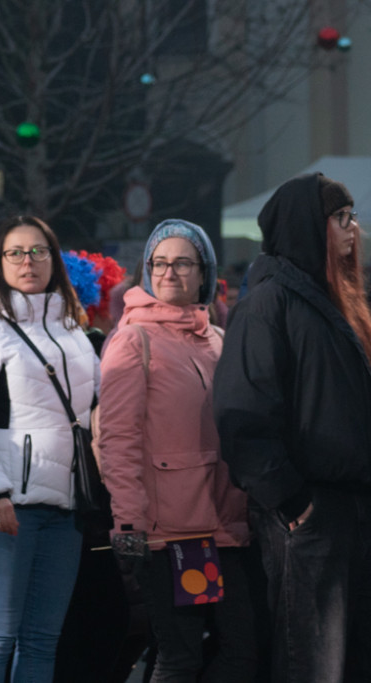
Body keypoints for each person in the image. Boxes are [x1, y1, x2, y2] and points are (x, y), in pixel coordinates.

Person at [214, 173, 371, 682]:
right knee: (311, 662)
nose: (354, 230)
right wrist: (291, 502)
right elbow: (242, 413)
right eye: (342, 218)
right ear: (310, 225)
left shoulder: (334, 302)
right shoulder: (268, 302)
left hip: (349, 507)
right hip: (308, 514)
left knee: (349, 661)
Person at [0, 215, 99, 681]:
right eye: (16, 253)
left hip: (63, 506)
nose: (28, 261)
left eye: (39, 251)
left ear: (54, 259)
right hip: (1, 505)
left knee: (42, 641)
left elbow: (93, 414)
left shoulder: (71, 329)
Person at [99, 219, 257, 682]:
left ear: (204, 271)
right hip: (170, 535)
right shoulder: (134, 339)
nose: (169, 272)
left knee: (243, 651)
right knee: (180, 656)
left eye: (182, 262)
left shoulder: (218, 339)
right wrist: (128, 521)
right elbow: (118, 438)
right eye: (159, 263)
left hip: (224, 525)